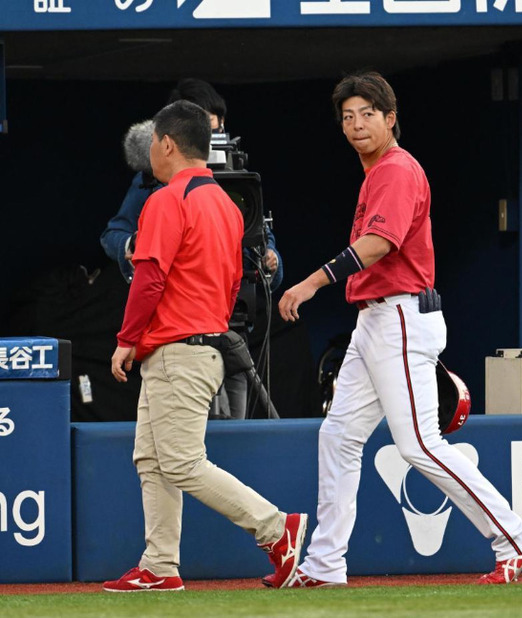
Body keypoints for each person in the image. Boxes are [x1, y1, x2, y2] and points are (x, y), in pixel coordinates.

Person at [274, 71, 522, 588]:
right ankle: (326, 564)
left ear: (391, 118)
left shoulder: (396, 169)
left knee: (419, 445)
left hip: (399, 314)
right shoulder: (376, 174)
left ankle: (513, 534)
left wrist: (311, 282)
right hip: (375, 320)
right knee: (338, 436)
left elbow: (381, 243)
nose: (356, 125)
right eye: (348, 117)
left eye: (367, 114)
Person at [104, 100, 306, 592]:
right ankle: (160, 565)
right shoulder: (225, 202)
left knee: (180, 461)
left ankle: (276, 528)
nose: (151, 150)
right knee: (151, 459)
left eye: (154, 141)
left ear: (167, 144)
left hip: (178, 347)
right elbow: (237, 280)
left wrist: (126, 340)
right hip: (204, 343)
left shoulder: (167, 200)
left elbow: (148, 279)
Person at [100, 78, 283, 419]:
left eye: (217, 126)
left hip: (214, 337)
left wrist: (270, 263)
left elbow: (257, 246)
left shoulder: (228, 186)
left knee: (197, 454)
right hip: (197, 337)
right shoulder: (159, 188)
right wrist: (135, 246)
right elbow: (135, 257)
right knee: (160, 459)